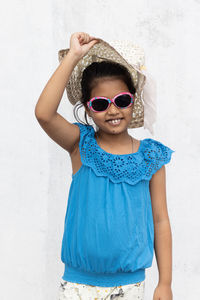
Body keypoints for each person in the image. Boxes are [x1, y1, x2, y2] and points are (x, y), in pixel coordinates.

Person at [35, 32, 175, 300]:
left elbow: (161, 220)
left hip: (129, 285)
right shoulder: (80, 144)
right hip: (78, 284)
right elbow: (43, 113)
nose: (113, 111)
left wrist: (165, 282)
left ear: (134, 100)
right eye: (101, 104)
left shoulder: (151, 157)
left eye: (122, 100)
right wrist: (73, 56)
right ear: (88, 109)